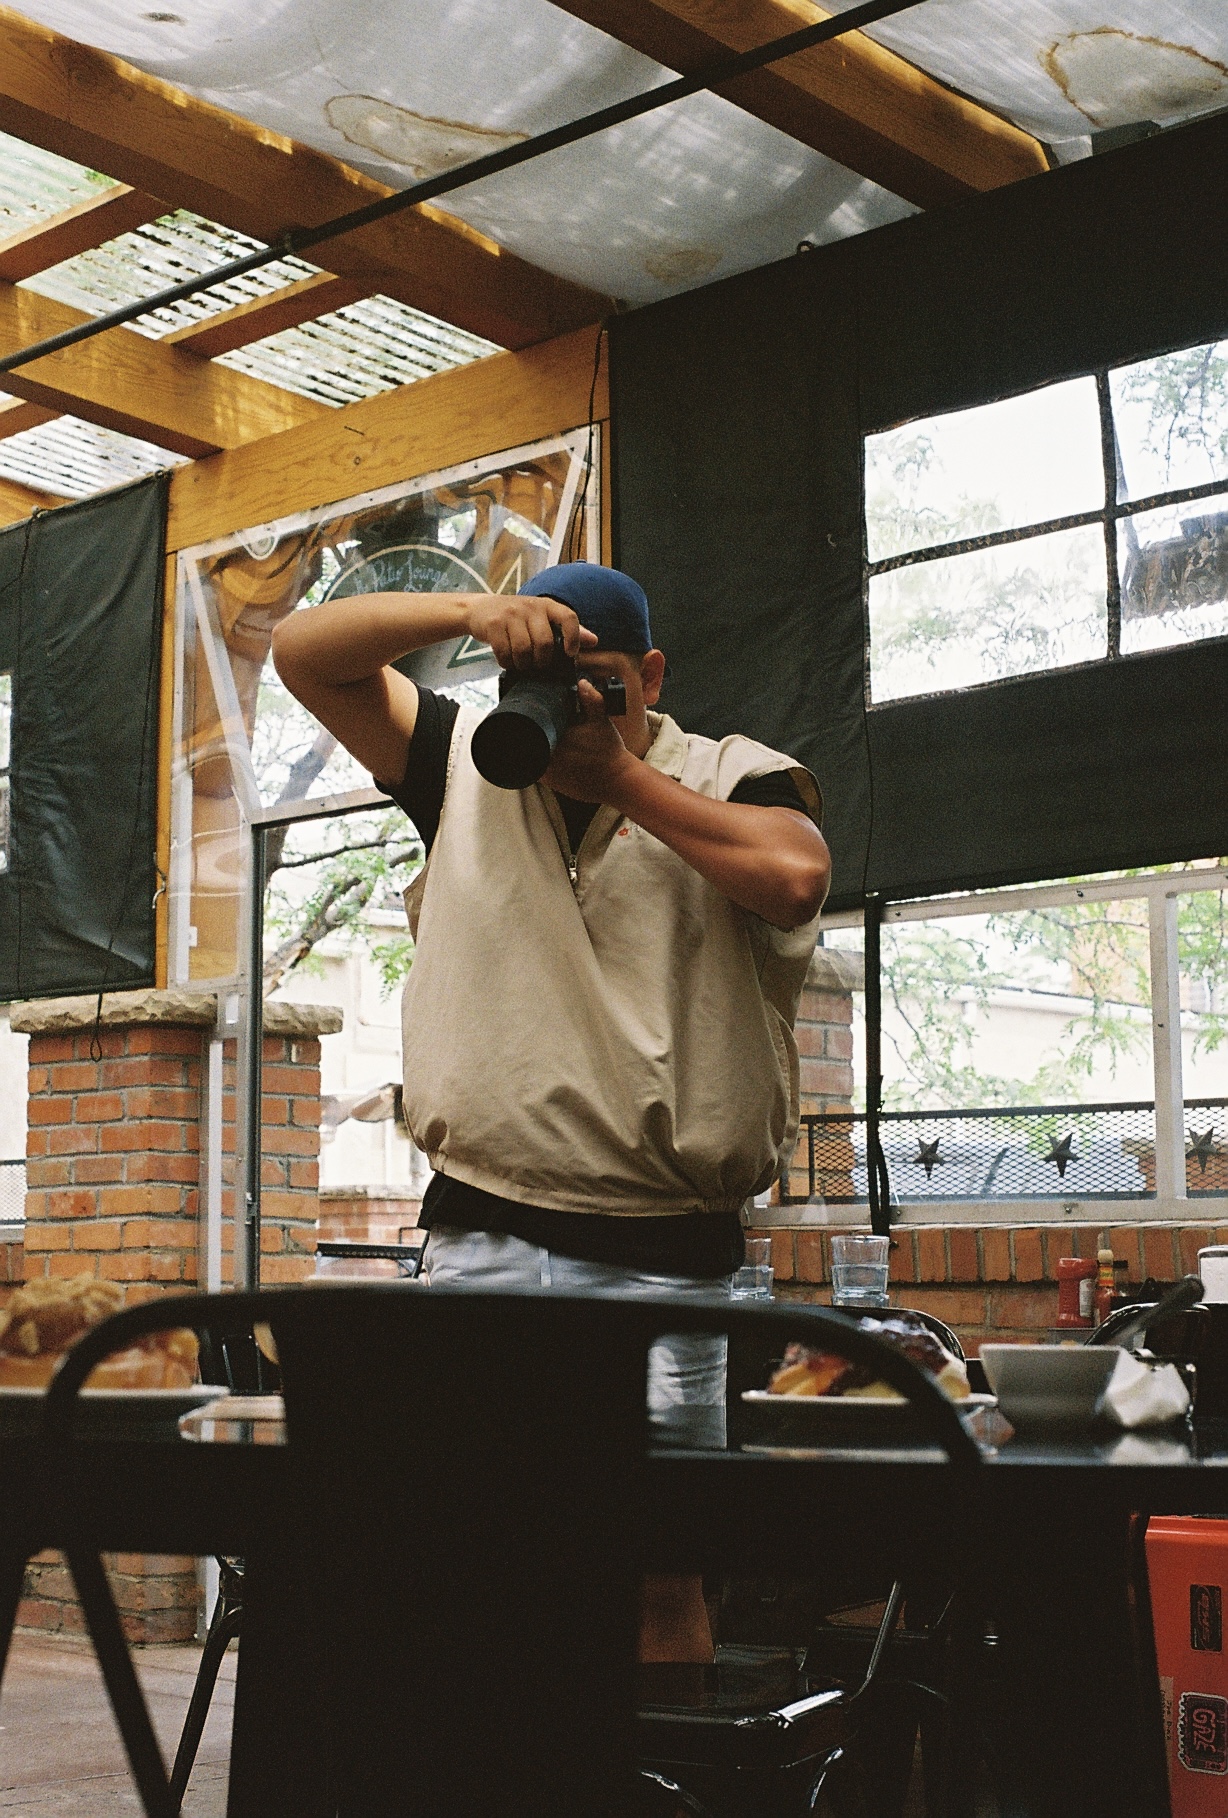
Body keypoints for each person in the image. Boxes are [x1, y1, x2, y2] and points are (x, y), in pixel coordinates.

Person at [272, 561, 830, 1660]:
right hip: (484, 1239)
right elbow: (302, 652)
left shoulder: (731, 773)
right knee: (474, 1564)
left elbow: (794, 880)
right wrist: (470, 614)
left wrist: (616, 776)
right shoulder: (459, 763)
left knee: (656, 1583)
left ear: (652, 675)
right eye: (543, 683)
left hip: (666, 1259)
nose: (572, 707)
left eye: (602, 683)